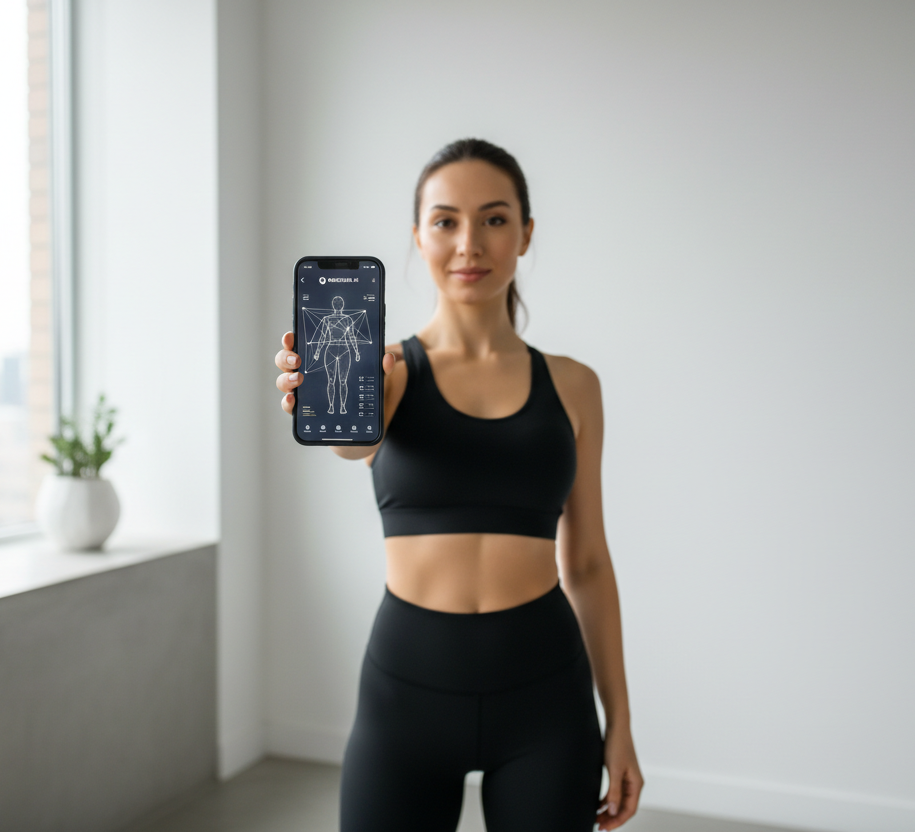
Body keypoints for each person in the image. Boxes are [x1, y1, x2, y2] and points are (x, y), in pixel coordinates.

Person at [273, 138, 643, 831]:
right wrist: (321, 401)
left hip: (546, 699)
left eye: (494, 219)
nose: (468, 243)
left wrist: (619, 722)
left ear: (525, 234)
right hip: (405, 697)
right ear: (417, 237)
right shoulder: (386, 373)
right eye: (445, 221)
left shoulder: (574, 386)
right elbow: (354, 445)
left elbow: (588, 562)